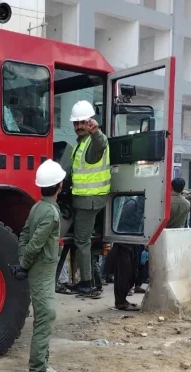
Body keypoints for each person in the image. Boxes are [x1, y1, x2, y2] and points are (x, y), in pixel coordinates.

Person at [12, 159, 66, 372]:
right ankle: (37, 368)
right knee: (46, 316)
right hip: (43, 270)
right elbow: (35, 243)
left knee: (45, 315)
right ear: (59, 185)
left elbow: (25, 235)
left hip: (41, 269)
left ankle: (42, 363)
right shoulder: (51, 212)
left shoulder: (37, 207)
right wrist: (24, 264)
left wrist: (22, 260)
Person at [68, 100, 110, 298]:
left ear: (90, 122)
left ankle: (86, 284)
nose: (79, 126)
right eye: (76, 123)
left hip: (89, 200)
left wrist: (96, 132)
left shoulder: (92, 142)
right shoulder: (81, 143)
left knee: (82, 241)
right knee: (87, 242)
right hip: (87, 198)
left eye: (82, 122)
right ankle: (94, 282)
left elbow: (101, 144)